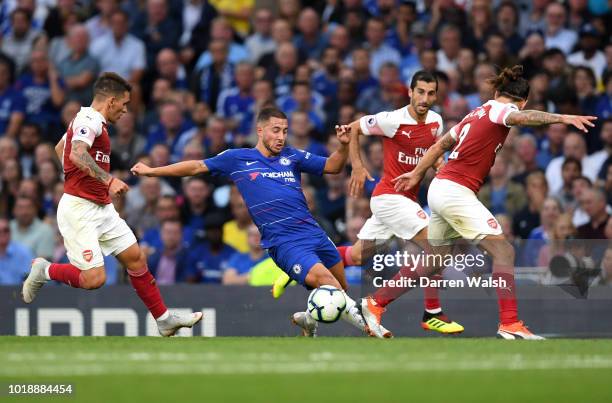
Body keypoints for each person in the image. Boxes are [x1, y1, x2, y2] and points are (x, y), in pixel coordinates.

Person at [393, 65, 597, 340]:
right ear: (521, 100)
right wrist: (562, 117)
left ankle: (376, 303)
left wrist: (417, 173)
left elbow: (439, 146)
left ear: (497, 91)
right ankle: (510, 323)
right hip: (455, 190)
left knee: (435, 259)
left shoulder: (475, 113)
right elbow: (522, 118)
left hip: (440, 188)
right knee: (504, 252)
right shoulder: (501, 110)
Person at [131, 107, 373, 338]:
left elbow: (333, 166)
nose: (281, 137)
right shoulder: (238, 158)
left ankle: (309, 318)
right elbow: (196, 166)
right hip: (284, 241)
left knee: (340, 291)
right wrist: (153, 171)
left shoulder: (292, 156)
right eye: (275, 130)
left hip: (313, 233)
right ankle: (371, 327)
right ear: (260, 130)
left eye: (285, 131)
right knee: (329, 284)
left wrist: (343, 147)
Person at [21, 72, 201, 337]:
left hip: (102, 208)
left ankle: (163, 319)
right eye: (125, 104)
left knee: (135, 259)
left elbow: (62, 149)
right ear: (112, 101)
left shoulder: (89, 122)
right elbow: (76, 152)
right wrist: (107, 180)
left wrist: (77, 178)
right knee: (94, 279)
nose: (126, 110)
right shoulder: (90, 119)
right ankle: (45, 270)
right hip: (80, 210)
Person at [334, 70, 464, 337]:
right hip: (390, 197)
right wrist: (357, 166)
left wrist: (441, 167)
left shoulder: (436, 122)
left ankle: (308, 260)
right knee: (438, 248)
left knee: (358, 255)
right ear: (410, 92)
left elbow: (432, 155)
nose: (425, 98)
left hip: (402, 200)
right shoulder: (392, 120)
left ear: (436, 95)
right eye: (420, 92)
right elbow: (355, 127)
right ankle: (426, 312)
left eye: (430, 93)